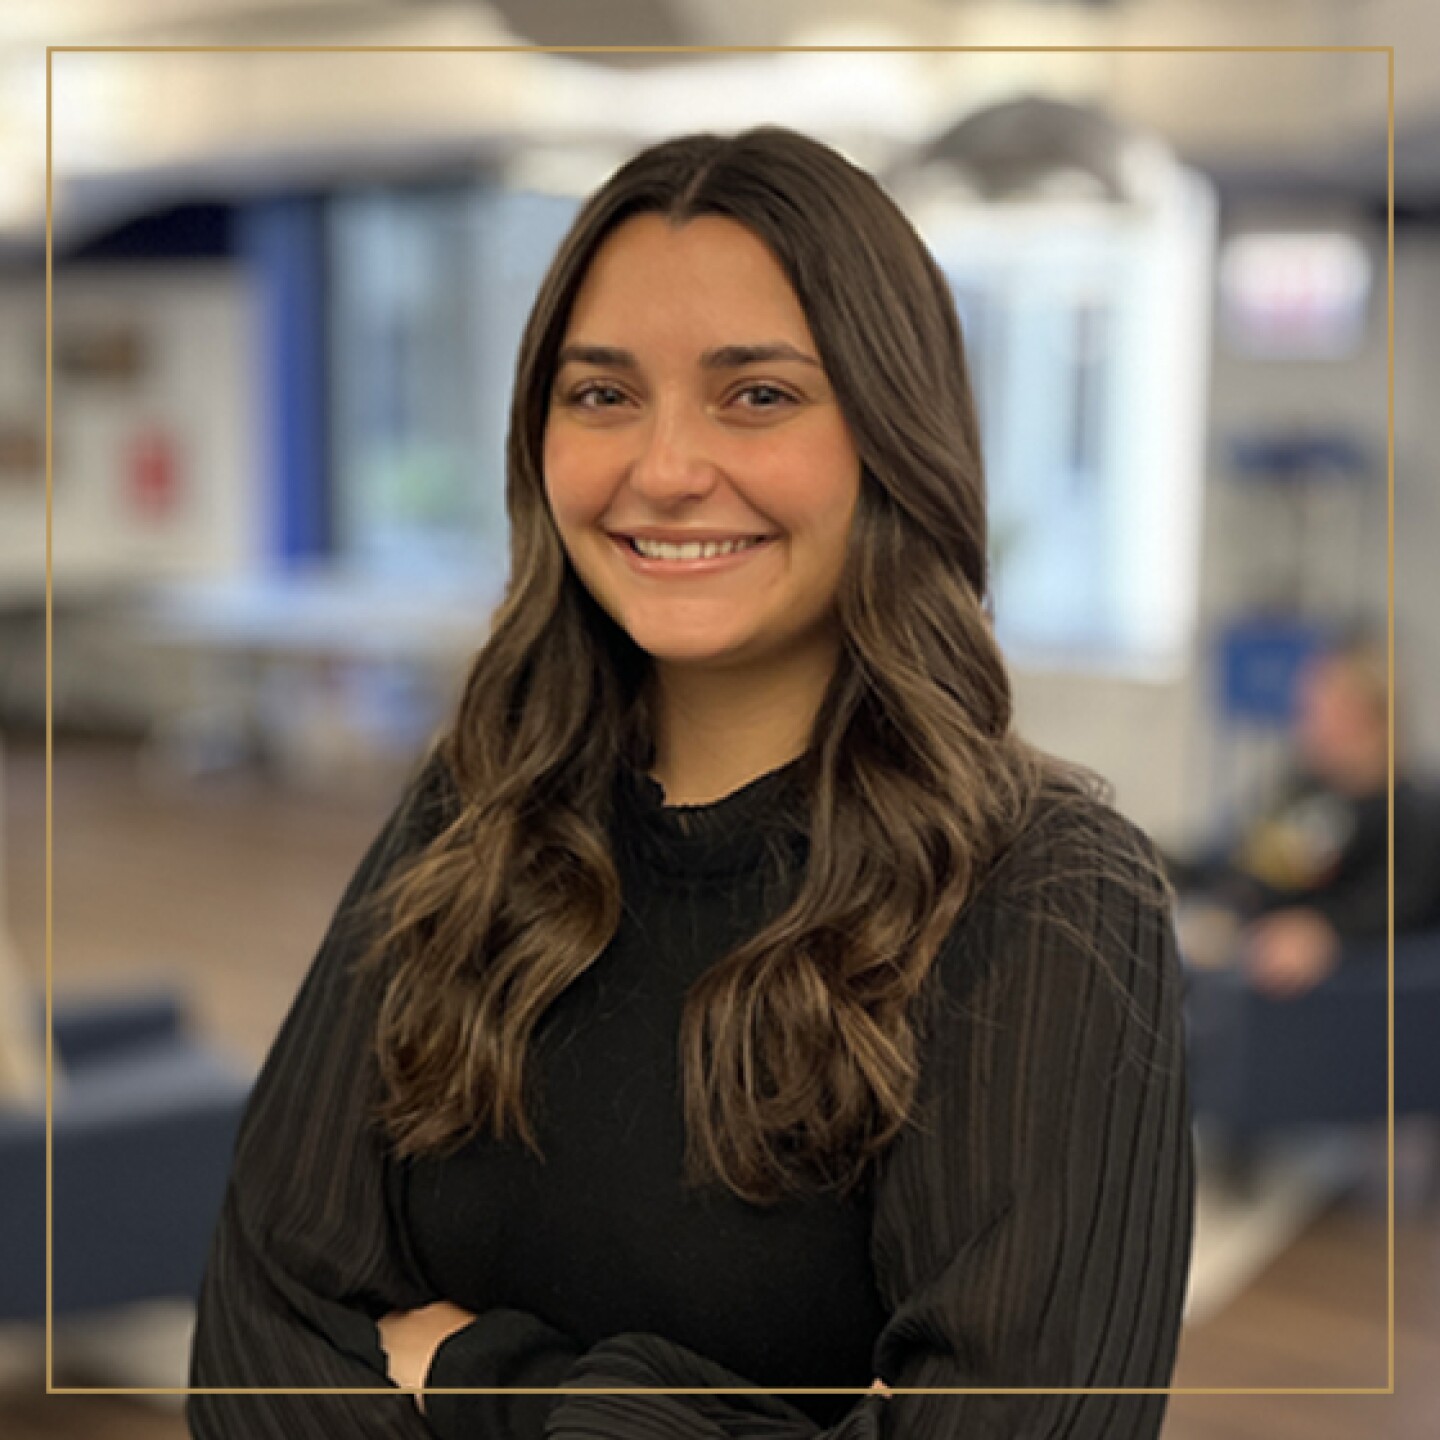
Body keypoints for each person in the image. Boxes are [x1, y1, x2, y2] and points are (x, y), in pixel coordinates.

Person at [187, 125, 1194, 1440]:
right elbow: (250, 1363)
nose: (663, 472)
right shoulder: (474, 812)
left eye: (757, 395)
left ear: (894, 431)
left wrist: (490, 1388)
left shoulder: (1046, 889)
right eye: (602, 395)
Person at [1171, 630, 1440, 998]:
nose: (1302, 725)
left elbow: (1397, 907)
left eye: (1314, 711)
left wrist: (1327, 932)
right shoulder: (1303, 793)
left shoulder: (1412, 817)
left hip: (1346, 1001)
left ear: (1362, 717)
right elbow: (1246, 863)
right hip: (1245, 958)